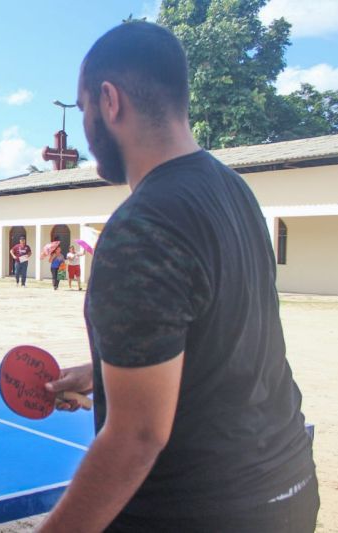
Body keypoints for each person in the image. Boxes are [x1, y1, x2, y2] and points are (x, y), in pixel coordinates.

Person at [39, 22, 317, 532]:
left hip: (197, 512)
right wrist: (105, 371)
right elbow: (220, 339)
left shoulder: (141, 227)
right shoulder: (233, 190)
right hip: (287, 490)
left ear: (109, 101)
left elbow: (137, 437)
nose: (84, 128)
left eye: (83, 109)